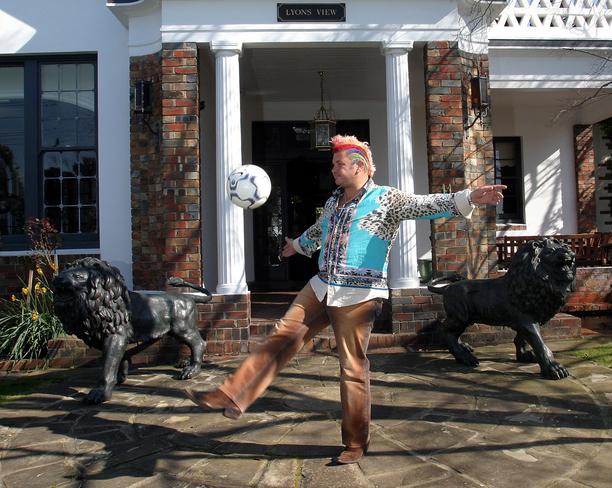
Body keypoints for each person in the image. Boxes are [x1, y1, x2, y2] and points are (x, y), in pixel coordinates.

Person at [185, 134, 505, 464]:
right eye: (334, 165)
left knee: (351, 367)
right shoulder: (334, 201)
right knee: (283, 334)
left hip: (359, 295)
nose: (334, 170)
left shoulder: (387, 199)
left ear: (360, 167)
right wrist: (296, 245)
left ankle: (355, 441)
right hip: (322, 285)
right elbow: (319, 231)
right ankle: (233, 393)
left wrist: (470, 197)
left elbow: (425, 205)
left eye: (339, 165)